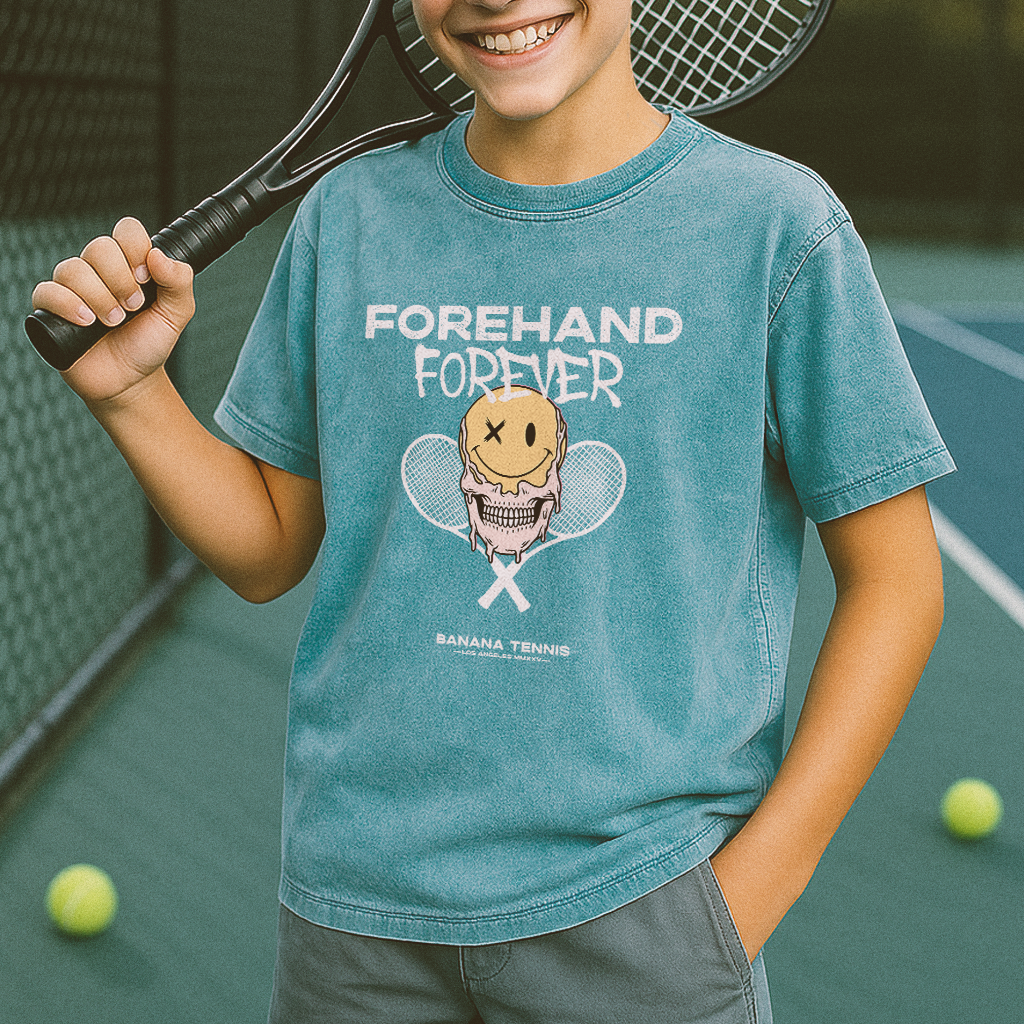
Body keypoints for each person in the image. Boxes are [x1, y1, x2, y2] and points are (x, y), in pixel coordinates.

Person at [31, 0, 955, 1020]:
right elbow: (267, 549)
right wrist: (133, 393)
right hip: (357, 916)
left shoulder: (775, 228)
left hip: (645, 913)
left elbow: (897, 581)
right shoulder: (348, 218)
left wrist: (740, 901)